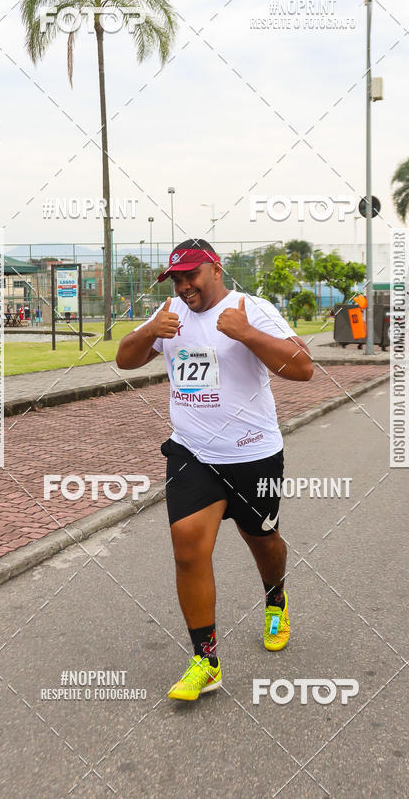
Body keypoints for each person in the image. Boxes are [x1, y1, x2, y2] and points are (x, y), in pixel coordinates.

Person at [116, 239, 313, 702]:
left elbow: (303, 368)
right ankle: (205, 660)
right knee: (187, 548)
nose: (185, 287)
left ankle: (276, 600)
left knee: (263, 541)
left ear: (215, 269)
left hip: (253, 454)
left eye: (191, 276)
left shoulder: (252, 308)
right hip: (192, 454)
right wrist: (149, 334)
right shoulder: (169, 316)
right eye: (177, 279)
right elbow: (124, 360)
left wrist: (245, 333)